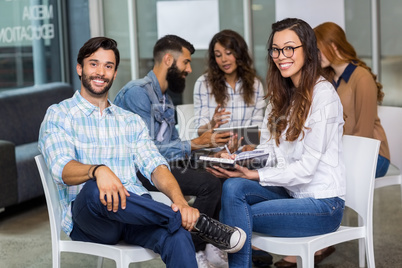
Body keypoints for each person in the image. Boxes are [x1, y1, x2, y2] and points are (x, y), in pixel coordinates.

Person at [38, 36, 246, 268]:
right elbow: (61, 169)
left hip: (134, 215)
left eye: (108, 66)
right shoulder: (59, 115)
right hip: (92, 220)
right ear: (80, 68)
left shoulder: (129, 121)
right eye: (93, 64)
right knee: (95, 189)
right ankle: (197, 223)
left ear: (115, 73)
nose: (101, 72)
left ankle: (182, 218)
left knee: (177, 235)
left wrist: (181, 202)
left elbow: (156, 166)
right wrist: (97, 171)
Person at [206, 18, 346, 268]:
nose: (282, 55)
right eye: (276, 49)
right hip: (292, 195)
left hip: (322, 205)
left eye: (290, 48)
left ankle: (233, 255)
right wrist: (241, 161)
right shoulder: (282, 97)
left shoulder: (323, 95)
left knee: (235, 215)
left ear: (309, 51)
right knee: (233, 187)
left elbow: (306, 169)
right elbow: (271, 151)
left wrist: (256, 174)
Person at [114, 35, 234, 267]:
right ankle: (193, 248)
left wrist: (208, 157)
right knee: (208, 184)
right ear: (169, 59)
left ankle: (208, 244)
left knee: (220, 171)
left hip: (162, 166)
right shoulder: (137, 93)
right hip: (137, 172)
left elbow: (175, 149)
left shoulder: (166, 99)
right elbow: (146, 153)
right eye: (186, 62)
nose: (189, 69)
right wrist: (197, 143)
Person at [314, 21, 390, 178]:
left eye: (318, 49)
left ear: (333, 45)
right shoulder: (329, 79)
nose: (316, 55)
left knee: (320, 175)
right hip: (345, 153)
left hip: (373, 155)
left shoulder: (361, 77)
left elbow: (363, 133)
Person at [193, 29, 266, 150]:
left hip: (243, 154)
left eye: (228, 53)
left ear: (239, 54)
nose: (223, 59)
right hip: (213, 154)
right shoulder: (203, 83)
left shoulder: (255, 84)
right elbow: (200, 132)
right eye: (218, 55)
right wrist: (212, 123)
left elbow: (257, 129)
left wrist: (250, 147)